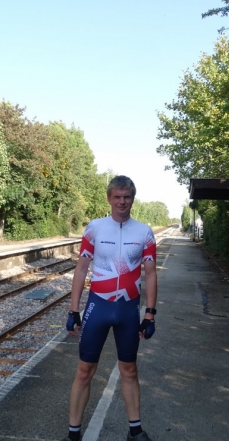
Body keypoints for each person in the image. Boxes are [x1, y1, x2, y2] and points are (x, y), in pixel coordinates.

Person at [62, 175, 158, 441]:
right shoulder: (94, 229)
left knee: (130, 370)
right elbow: (81, 269)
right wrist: (73, 310)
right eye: (117, 197)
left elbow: (150, 274)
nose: (122, 202)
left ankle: (135, 431)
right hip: (98, 307)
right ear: (109, 198)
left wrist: (149, 313)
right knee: (84, 371)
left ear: (132, 199)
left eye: (126, 197)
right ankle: (73, 434)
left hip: (128, 309)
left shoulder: (144, 232)